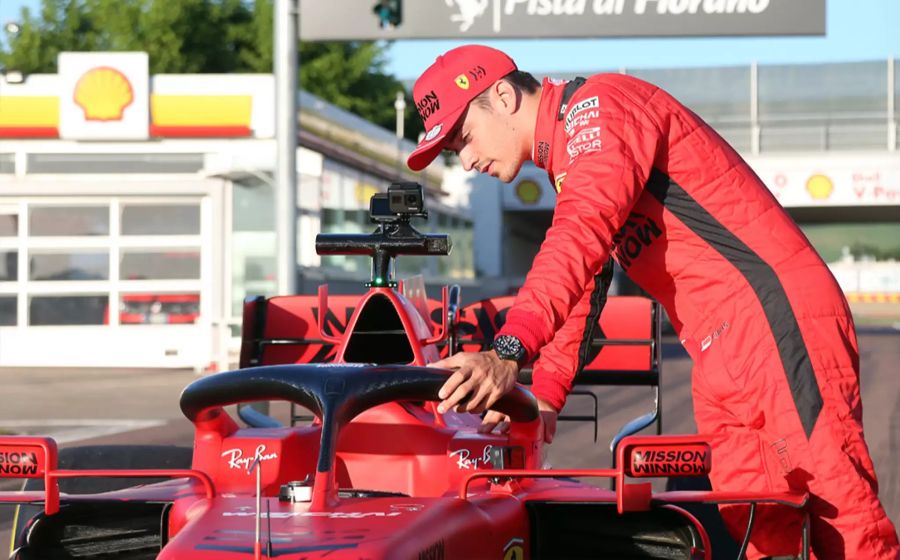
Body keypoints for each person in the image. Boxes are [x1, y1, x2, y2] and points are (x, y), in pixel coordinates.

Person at [408, 44, 900, 559]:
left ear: (504, 96)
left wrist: (506, 352)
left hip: (773, 319)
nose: (464, 160)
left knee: (843, 518)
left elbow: (579, 236)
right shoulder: (572, 157)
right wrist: (546, 394)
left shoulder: (598, 109)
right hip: (721, 346)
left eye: (462, 138)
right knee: (760, 527)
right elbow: (586, 275)